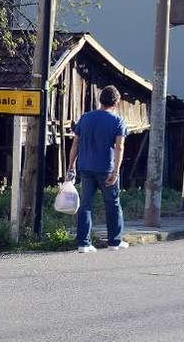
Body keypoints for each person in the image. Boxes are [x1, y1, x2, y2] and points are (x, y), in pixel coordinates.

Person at [68, 85, 129, 253]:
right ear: (116, 102)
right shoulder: (118, 121)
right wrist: (116, 171)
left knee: (86, 205)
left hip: (85, 167)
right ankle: (114, 242)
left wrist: (71, 166)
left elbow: (75, 144)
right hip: (106, 169)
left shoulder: (86, 118)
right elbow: (120, 147)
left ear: (100, 100)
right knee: (113, 204)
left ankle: (83, 244)